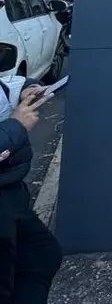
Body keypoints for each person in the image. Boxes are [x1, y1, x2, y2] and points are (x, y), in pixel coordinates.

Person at [0, 79, 62, 302]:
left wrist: (27, 91)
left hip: (10, 192)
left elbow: (12, 80)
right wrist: (16, 125)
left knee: (42, 254)